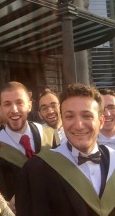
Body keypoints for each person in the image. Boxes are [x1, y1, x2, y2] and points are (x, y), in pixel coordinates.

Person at [16, 83, 115, 216]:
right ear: (62, 120)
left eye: (87, 116)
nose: (78, 125)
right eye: (69, 116)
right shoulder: (37, 170)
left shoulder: (113, 161)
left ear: (101, 121)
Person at [0, 81, 55, 210]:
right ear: (0, 108)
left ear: (29, 106)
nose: (14, 109)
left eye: (19, 103)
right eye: (7, 104)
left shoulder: (50, 136)